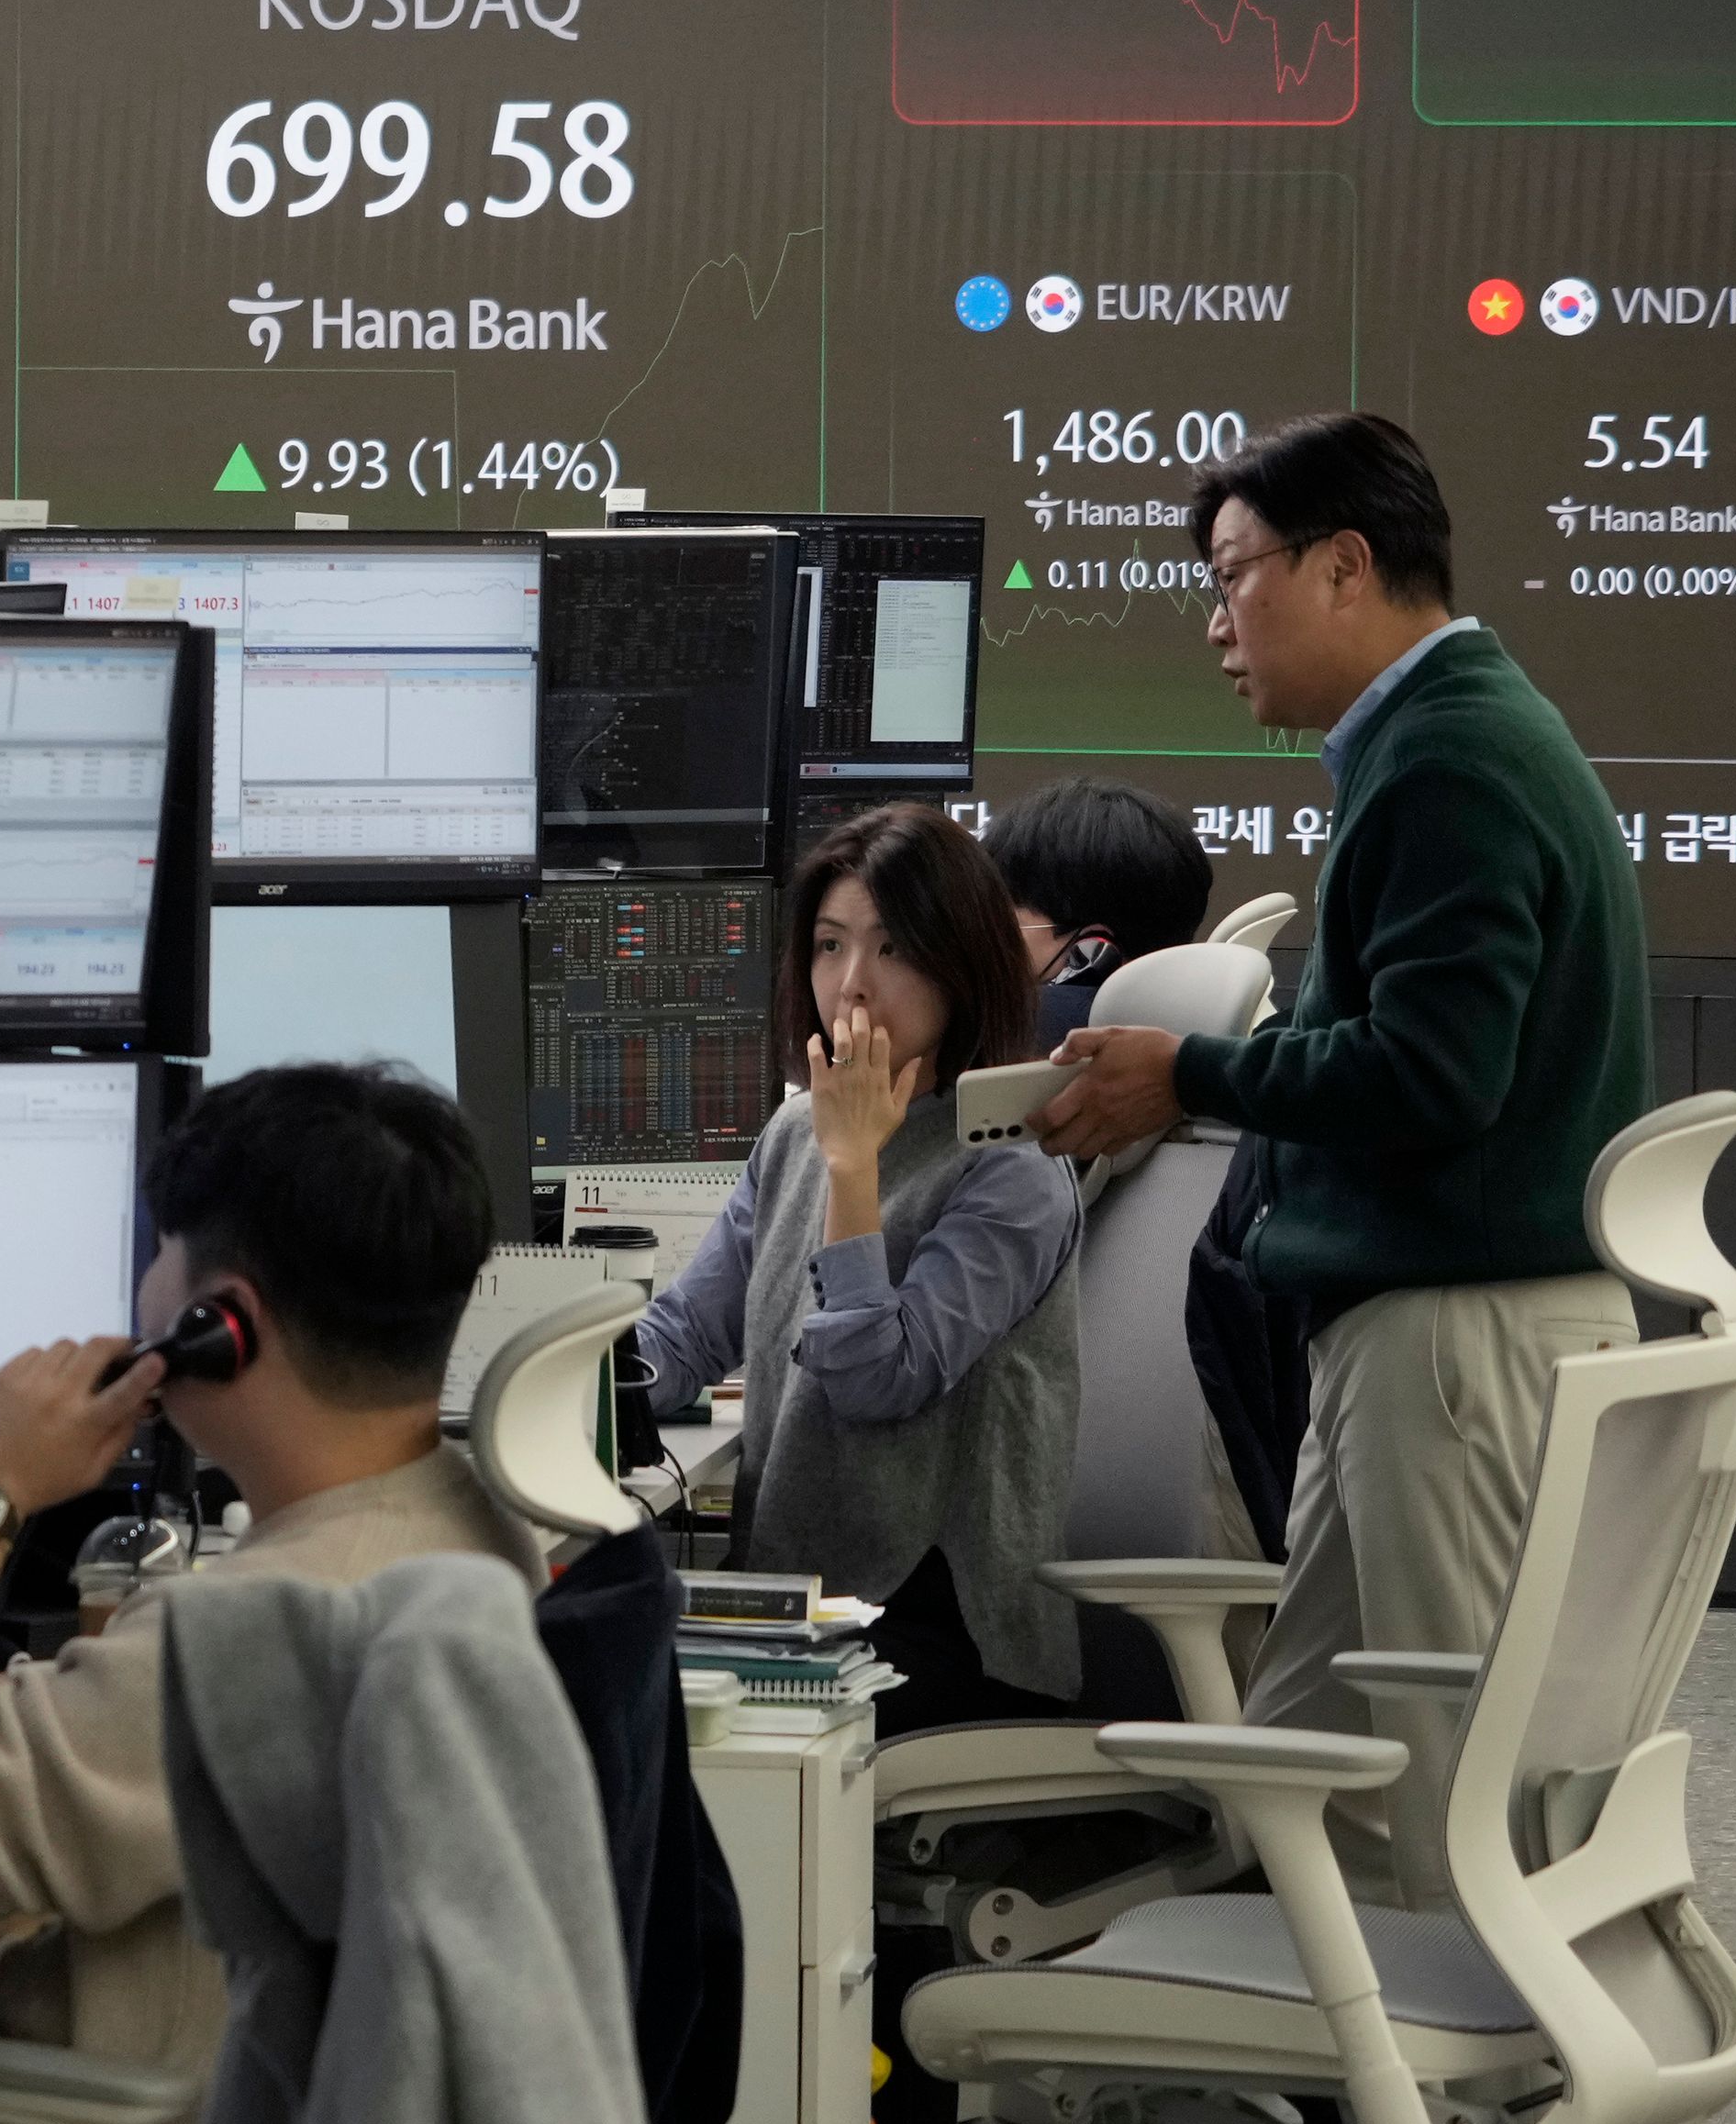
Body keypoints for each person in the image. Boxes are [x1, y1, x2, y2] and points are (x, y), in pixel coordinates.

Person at [0, 1062, 549, 2124]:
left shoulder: (249, 1631)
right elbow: (16, 1730)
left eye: (158, 1251)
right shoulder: (464, 1534)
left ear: (223, 1327)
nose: (140, 1284)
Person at [1033, 411, 1652, 1918]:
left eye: (1236, 575)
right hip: (1430, 1332)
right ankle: (1348, 2119)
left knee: (1430, 1800)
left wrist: (1192, 1072)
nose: (1215, 620)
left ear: (1345, 566)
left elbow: (1437, 1076)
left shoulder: (1450, 762)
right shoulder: (1445, 739)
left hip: (1454, 1338)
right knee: (1309, 1768)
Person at [633, 801, 1084, 1729]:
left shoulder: (1011, 1166)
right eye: (830, 946)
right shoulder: (801, 1127)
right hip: (795, 1592)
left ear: (959, 964)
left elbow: (877, 1381)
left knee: (637, 1713)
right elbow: (689, 1331)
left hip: (938, 1620)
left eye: (892, 950)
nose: (852, 985)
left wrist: (856, 1169)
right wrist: (549, 1383)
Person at [983, 776, 1218, 1045]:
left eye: (1005, 923)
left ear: (1093, 951)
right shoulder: (1189, 1029)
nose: (989, 939)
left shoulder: (1014, 1043)